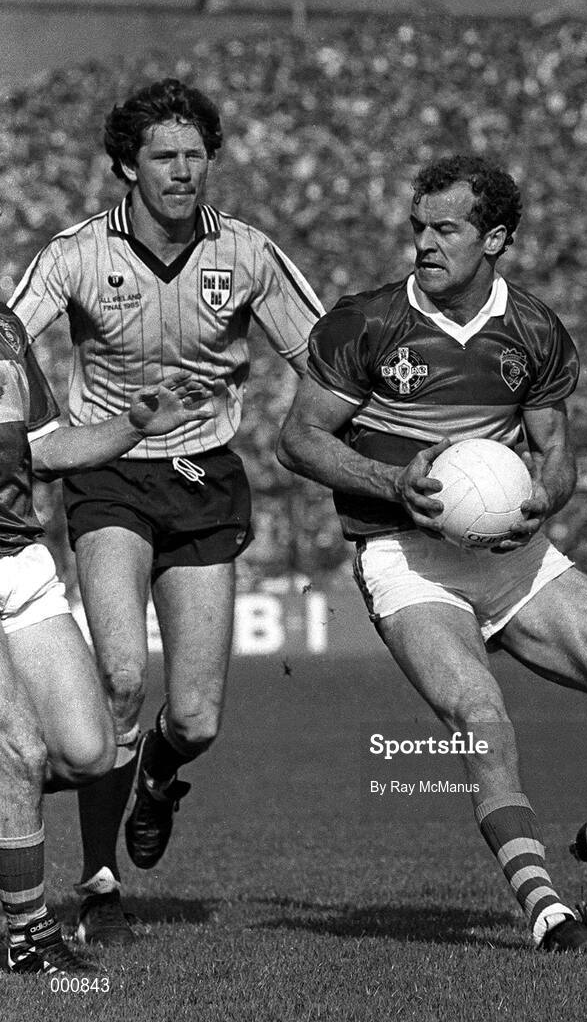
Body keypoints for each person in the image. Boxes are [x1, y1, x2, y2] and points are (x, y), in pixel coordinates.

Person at [277, 154, 587, 953]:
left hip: (512, 556)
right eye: (418, 228)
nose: (424, 245)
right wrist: (390, 480)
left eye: (446, 229)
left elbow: (556, 450)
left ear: (495, 237)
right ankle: (545, 909)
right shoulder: (365, 322)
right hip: (404, 554)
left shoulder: (532, 328)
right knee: (480, 718)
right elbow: (299, 438)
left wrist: (548, 491)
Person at [10, 77, 323, 946]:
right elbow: (6, 333)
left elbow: (324, 358)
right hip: (110, 474)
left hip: (203, 473)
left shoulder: (249, 255)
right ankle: (100, 882)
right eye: (164, 157)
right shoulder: (76, 255)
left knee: (195, 719)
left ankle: (157, 775)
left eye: (196, 155)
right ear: (125, 166)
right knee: (117, 678)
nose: (184, 171)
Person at [0, 297, 216, 974]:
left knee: (89, 752)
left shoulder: (4, 328)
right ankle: (27, 936)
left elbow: (44, 447)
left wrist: (131, 425)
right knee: (20, 750)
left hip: (19, 564)